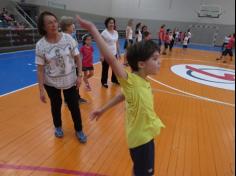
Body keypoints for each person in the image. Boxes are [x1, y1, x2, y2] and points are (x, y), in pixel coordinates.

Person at [76, 15, 165, 176]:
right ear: (141, 64)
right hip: (141, 140)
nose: (160, 62)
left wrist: (102, 110)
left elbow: (121, 97)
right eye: (155, 59)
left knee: (139, 169)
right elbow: (110, 58)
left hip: (145, 136)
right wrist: (93, 30)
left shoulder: (142, 81)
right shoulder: (130, 81)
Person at [35, 11, 87, 143]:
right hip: (51, 82)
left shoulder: (68, 38)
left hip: (70, 80)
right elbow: (40, 69)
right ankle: (58, 126)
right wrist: (41, 89)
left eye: (54, 21)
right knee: (56, 105)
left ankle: (79, 129)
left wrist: (79, 75)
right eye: (49, 23)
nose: (53, 24)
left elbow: (78, 58)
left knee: (74, 105)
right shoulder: (40, 45)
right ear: (43, 27)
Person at [60, 16, 87, 104]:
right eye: (72, 24)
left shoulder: (64, 36)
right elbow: (75, 56)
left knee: (69, 84)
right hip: (70, 65)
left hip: (66, 66)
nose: (74, 26)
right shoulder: (68, 38)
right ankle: (72, 100)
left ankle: (71, 99)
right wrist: (78, 67)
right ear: (67, 26)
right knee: (73, 83)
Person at [100, 17, 120, 88]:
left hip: (114, 53)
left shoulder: (116, 32)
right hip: (106, 54)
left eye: (113, 23)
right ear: (107, 24)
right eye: (110, 23)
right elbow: (101, 45)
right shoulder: (104, 33)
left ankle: (114, 80)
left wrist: (118, 52)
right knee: (105, 69)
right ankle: (104, 82)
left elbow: (116, 42)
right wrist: (101, 55)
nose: (112, 24)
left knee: (115, 68)